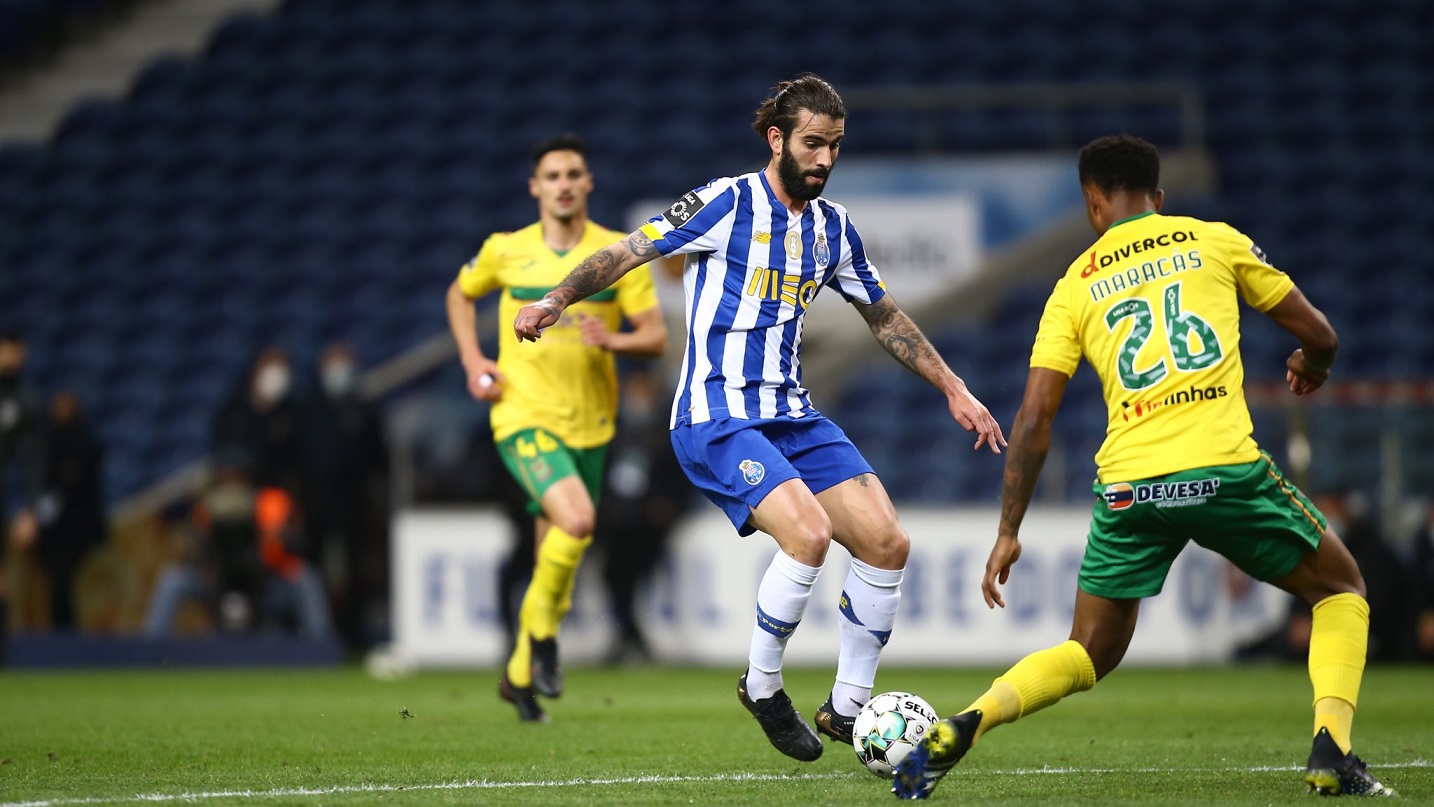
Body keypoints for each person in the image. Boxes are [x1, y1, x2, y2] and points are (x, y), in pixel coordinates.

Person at [514, 74, 1005, 760]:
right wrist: (556, 298)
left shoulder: (834, 228)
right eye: (813, 143)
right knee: (808, 534)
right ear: (777, 139)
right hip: (715, 415)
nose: (825, 158)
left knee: (888, 543)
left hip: (791, 414)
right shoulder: (725, 201)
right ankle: (763, 684)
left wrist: (954, 387)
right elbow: (627, 250)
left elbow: (884, 315)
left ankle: (848, 707)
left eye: (835, 145)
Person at [891, 134, 1394, 799]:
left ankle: (970, 719)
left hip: (1131, 487)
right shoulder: (1214, 240)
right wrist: (1314, 364)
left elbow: (1034, 420)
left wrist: (1009, 528)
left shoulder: (1075, 283)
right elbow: (1321, 334)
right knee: (1340, 587)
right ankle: (1333, 747)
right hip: (1222, 469)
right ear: (1157, 196)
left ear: (1092, 201)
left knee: (1088, 650)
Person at [445, 133, 668, 722]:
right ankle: (543, 643)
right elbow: (459, 295)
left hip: (591, 427)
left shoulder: (616, 255)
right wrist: (473, 362)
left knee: (558, 553)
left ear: (588, 183)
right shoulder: (505, 250)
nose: (563, 184)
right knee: (578, 521)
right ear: (535, 187)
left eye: (573, 174)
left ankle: (519, 677)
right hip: (522, 416)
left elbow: (655, 337)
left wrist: (613, 339)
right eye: (553, 176)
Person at [143, 451, 334, 639]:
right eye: (226, 478)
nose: (231, 484)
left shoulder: (271, 503)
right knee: (173, 580)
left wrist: (277, 540)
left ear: (248, 478)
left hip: (265, 584)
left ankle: (320, 649)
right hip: (219, 583)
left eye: (236, 478)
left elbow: (299, 544)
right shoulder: (206, 506)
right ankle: (150, 648)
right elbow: (194, 553)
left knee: (306, 578)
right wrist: (205, 563)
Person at [595, 364, 694, 664]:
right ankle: (631, 639)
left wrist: (669, 506)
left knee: (629, 577)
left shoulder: (668, 428)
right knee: (615, 576)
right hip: (616, 521)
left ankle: (631, 639)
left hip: (648, 523)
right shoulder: (612, 428)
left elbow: (681, 474)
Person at [299, 342, 390, 652]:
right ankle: (311, 636)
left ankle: (353, 638)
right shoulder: (310, 411)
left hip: (354, 501)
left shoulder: (363, 409)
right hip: (315, 501)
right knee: (311, 571)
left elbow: (378, 459)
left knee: (356, 571)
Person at [31, 391, 109, 630]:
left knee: (63, 581)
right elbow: (43, 486)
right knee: (58, 583)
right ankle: (62, 631)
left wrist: (41, 515)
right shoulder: (48, 443)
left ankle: (66, 634)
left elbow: (70, 485)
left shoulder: (83, 444)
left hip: (75, 527)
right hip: (54, 529)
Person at [0, 329, 46, 660]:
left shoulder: (26, 401)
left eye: (14, 351)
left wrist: (29, 509)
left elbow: (36, 460)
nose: (9, 357)